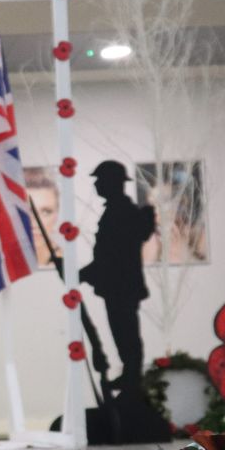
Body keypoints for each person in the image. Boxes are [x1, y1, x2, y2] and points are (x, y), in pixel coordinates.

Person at [79, 160, 156, 392]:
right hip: (119, 287)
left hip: (121, 287)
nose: (97, 185)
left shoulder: (120, 213)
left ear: (113, 183)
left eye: (100, 181)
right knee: (124, 334)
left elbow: (112, 257)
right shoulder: (117, 211)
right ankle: (130, 377)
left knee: (126, 335)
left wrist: (81, 274)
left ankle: (132, 379)